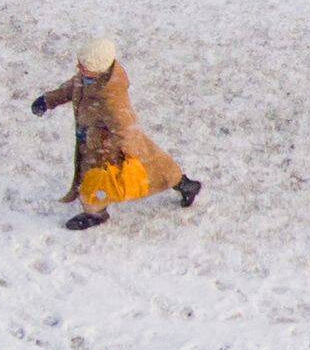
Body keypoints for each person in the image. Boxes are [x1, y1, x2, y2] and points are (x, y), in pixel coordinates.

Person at [31, 38, 201, 231]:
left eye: (84, 65)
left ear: (98, 68)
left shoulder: (111, 99)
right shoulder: (89, 77)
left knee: (93, 179)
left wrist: (128, 153)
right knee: (156, 165)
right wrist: (48, 100)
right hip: (93, 140)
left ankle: (95, 213)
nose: (78, 67)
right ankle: (183, 183)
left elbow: (126, 128)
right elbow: (72, 87)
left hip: (106, 148)